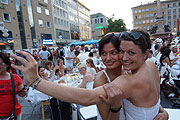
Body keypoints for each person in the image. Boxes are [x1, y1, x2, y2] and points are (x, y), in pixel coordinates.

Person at [11, 30, 167, 120]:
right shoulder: (149, 65)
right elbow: (146, 97)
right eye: (122, 51)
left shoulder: (129, 78)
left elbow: (85, 98)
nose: (124, 57)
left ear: (146, 53)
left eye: (114, 52)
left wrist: (36, 82)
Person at [0, 52, 26, 120]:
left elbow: (22, 94)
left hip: (14, 114)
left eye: (0, 63)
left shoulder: (15, 78)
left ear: (7, 64)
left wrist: (23, 92)